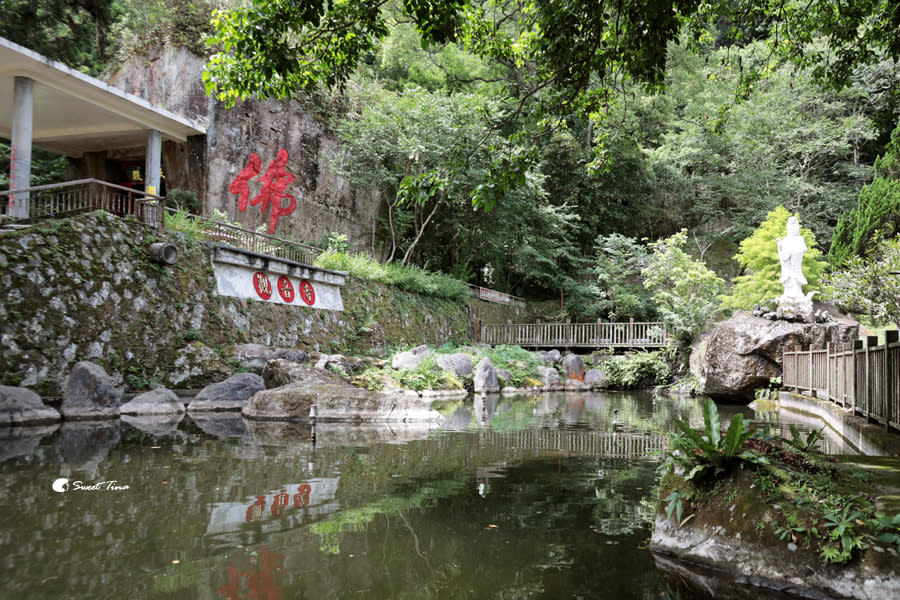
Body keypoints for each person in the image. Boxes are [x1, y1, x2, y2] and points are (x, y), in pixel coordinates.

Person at [777, 216, 807, 299]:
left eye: (794, 227)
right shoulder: (786, 240)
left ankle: (797, 293)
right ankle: (787, 293)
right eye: (790, 227)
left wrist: (792, 252)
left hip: (796, 266)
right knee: (789, 281)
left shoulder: (800, 239)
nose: (792, 229)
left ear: (798, 228)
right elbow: (784, 256)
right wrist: (780, 247)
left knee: (795, 282)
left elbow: (803, 249)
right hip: (788, 267)